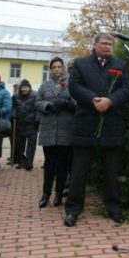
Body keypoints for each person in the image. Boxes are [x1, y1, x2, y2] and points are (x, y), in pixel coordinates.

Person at [64, 33, 129, 227]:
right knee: (79, 171)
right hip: (86, 123)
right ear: (94, 45)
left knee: (111, 171)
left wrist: (111, 101)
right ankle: (73, 210)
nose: (108, 46)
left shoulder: (120, 65)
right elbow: (74, 87)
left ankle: (114, 208)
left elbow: (127, 88)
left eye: (110, 43)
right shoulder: (81, 63)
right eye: (104, 43)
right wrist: (93, 99)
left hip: (111, 123)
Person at [36, 58, 75, 208]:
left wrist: (68, 103)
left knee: (62, 165)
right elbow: (37, 101)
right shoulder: (45, 85)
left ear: (63, 68)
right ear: (50, 69)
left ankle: (59, 193)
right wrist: (49, 105)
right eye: (54, 67)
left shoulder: (71, 84)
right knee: (49, 163)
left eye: (59, 67)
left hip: (65, 129)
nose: (57, 69)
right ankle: (46, 194)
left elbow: (77, 102)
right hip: (48, 129)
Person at [12, 79, 39, 170]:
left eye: (26, 87)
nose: (24, 89)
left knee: (31, 145)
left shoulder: (35, 95)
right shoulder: (15, 96)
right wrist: (14, 115)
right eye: (22, 88)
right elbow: (13, 107)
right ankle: (22, 162)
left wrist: (37, 120)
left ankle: (29, 163)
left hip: (32, 123)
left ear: (29, 87)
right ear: (20, 88)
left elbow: (37, 109)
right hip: (20, 123)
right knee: (20, 145)